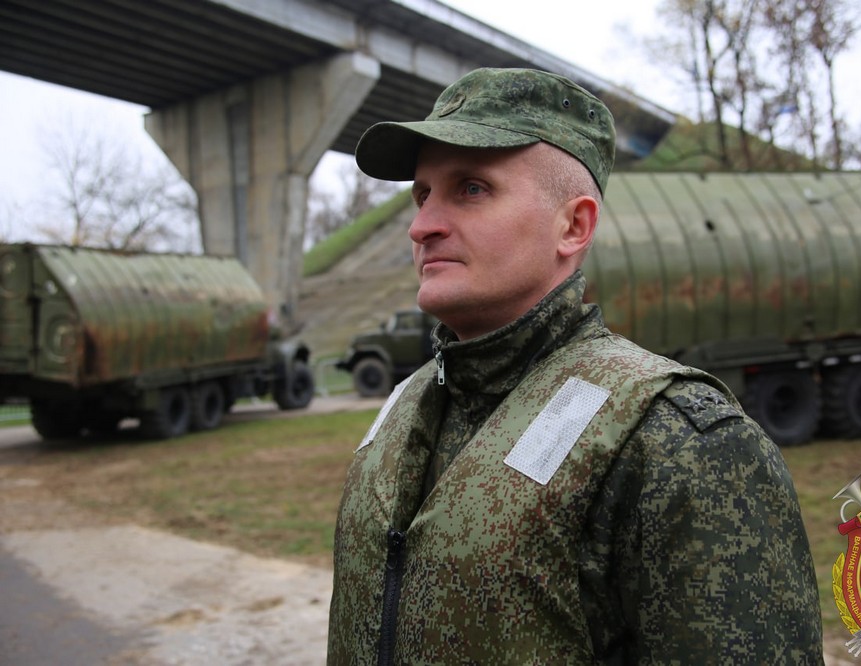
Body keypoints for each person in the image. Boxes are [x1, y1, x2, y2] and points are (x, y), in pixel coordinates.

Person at [327, 67, 823, 664]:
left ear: (573, 226)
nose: (422, 225)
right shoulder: (407, 404)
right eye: (423, 194)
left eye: (471, 189)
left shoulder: (677, 443)